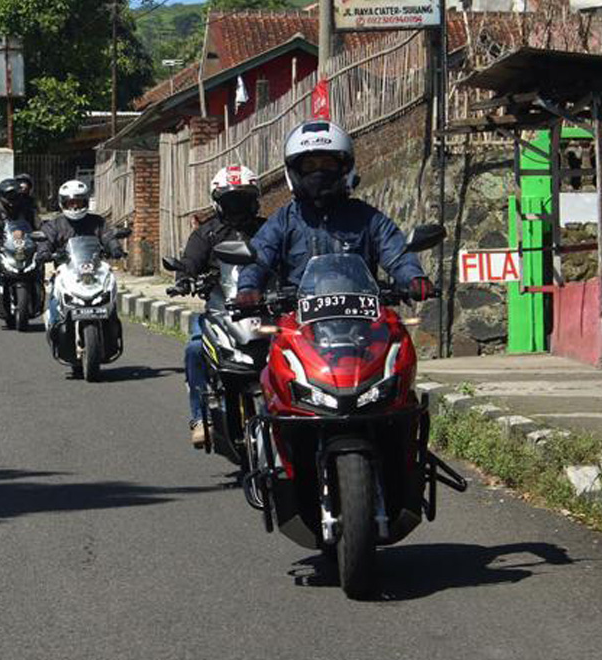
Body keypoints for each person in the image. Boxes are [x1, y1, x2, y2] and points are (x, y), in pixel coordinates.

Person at [236, 119, 434, 307]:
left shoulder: (367, 218)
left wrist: (413, 278)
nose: (319, 172)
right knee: (277, 342)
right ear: (294, 173)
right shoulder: (283, 220)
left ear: (345, 169)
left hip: (363, 321)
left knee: (398, 338)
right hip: (298, 324)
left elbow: (395, 251)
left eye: (328, 165)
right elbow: (260, 254)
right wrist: (248, 288)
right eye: (310, 166)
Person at [174, 165, 266, 448]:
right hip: (220, 311)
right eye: (230, 200)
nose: (237, 207)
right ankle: (200, 418)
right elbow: (190, 262)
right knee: (193, 350)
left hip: (264, 310)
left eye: (243, 199)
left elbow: (288, 258)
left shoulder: (267, 229)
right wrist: (185, 279)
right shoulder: (207, 234)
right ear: (218, 202)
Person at [37, 179, 125, 327]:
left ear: (86, 202)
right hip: (65, 271)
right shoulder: (55, 225)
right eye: (71, 203)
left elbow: (108, 236)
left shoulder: (97, 222)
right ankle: (54, 326)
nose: (75, 207)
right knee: (54, 299)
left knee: (110, 296)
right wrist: (44, 252)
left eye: (78, 202)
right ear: (62, 203)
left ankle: (112, 327)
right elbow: (45, 239)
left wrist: (115, 248)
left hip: (95, 270)